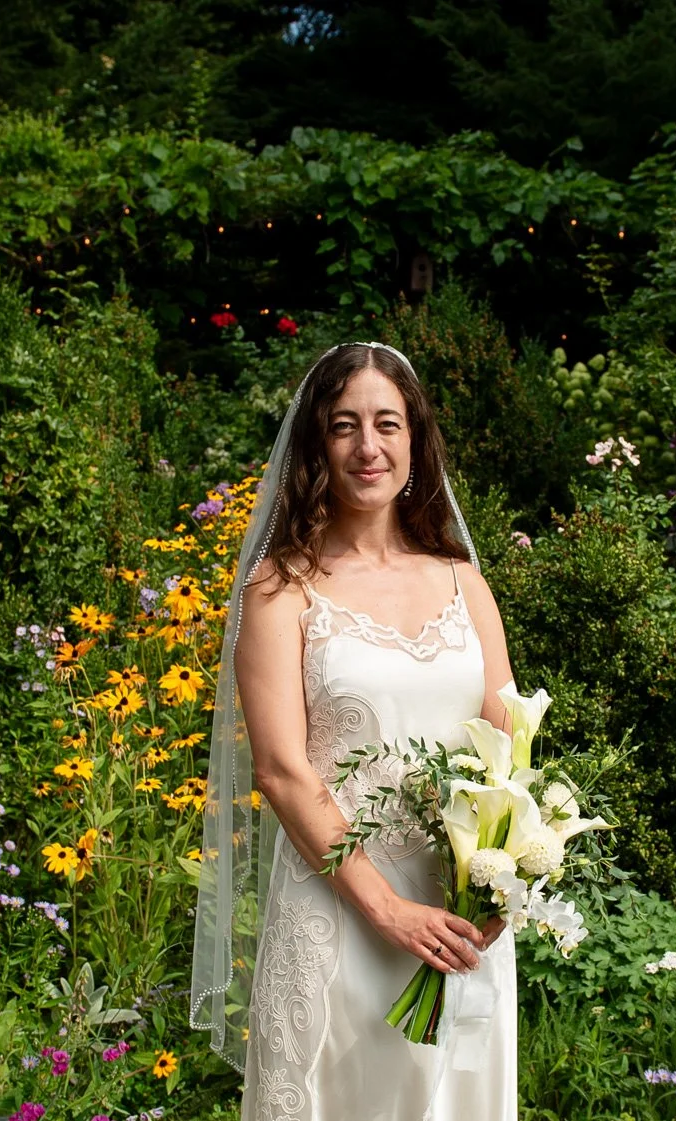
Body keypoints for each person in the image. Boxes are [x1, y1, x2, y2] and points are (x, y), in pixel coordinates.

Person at [189, 341, 520, 1120]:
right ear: (318, 445)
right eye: (344, 426)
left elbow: (510, 749)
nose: (368, 447)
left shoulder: (463, 583)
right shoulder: (282, 590)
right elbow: (281, 770)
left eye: (386, 423)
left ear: (416, 439)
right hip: (341, 918)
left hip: (458, 922)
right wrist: (386, 909)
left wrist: (512, 878)